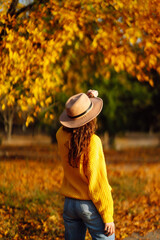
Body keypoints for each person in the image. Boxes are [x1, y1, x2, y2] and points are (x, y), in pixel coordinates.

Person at [56, 90, 115, 240]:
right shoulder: (92, 142)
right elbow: (98, 182)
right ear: (91, 118)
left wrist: (83, 102)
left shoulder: (61, 136)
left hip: (70, 205)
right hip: (89, 204)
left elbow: (73, 117)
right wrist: (107, 215)